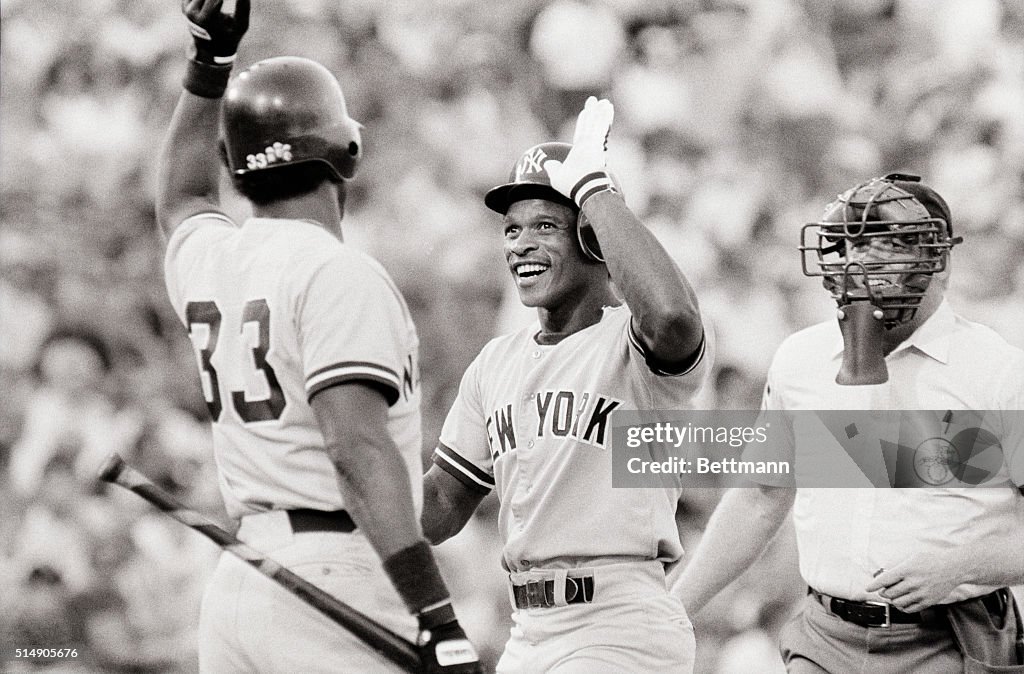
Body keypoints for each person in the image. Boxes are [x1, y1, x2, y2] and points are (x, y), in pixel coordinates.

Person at [155, 1, 480, 672]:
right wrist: (435, 612)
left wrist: (208, 63)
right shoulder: (338, 272)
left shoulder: (216, 258)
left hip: (243, 578)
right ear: (346, 150)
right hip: (338, 574)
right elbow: (355, 449)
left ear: (234, 163)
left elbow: (181, 196)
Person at [672, 173, 1024, 672]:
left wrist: (962, 565)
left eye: (885, 247)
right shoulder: (799, 359)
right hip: (824, 636)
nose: (859, 264)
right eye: (849, 246)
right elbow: (760, 497)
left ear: (938, 260)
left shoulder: (999, 372)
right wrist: (674, 607)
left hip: (950, 639)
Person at [420, 96, 713, 673]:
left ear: (592, 240)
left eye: (545, 226)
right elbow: (439, 510)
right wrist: (346, 471)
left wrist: (595, 190)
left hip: (618, 622)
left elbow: (676, 320)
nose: (520, 244)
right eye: (512, 229)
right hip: (529, 629)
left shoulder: (633, 341)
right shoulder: (493, 363)